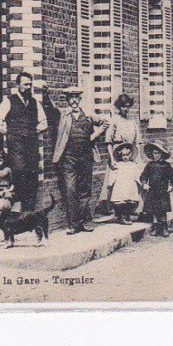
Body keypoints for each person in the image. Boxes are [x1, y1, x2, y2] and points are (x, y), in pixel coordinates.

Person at [51, 85, 109, 234]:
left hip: (85, 156)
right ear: (68, 100)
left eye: (76, 98)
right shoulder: (63, 114)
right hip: (68, 158)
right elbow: (51, 108)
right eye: (71, 98)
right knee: (71, 189)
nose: (74, 101)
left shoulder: (88, 114)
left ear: (80, 99)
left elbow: (105, 123)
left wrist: (94, 136)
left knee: (85, 190)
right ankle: (74, 224)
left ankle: (81, 222)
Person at [0, 72, 48, 211]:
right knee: (19, 177)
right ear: (18, 85)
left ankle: (29, 215)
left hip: (32, 148)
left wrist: (33, 132)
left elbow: (44, 123)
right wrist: (11, 132)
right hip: (16, 149)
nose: (28, 87)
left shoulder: (35, 103)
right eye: (25, 84)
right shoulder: (9, 101)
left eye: (30, 85)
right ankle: (17, 215)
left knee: (32, 179)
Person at [98, 93, 142, 214]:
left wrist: (138, 157)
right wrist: (112, 159)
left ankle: (133, 208)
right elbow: (108, 142)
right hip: (118, 155)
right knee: (117, 182)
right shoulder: (114, 121)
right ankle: (117, 210)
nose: (125, 109)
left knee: (133, 180)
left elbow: (138, 141)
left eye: (128, 106)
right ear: (119, 107)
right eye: (123, 106)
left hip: (131, 154)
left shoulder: (132, 122)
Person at [140, 141, 173, 237]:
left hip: (163, 191)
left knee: (162, 209)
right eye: (154, 153)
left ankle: (164, 227)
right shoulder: (150, 165)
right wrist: (144, 184)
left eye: (158, 153)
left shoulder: (166, 166)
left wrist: (171, 186)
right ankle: (156, 227)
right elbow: (143, 176)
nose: (156, 155)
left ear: (162, 154)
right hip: (152, 191)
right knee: (154, 210)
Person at [105, 143, 142, 225]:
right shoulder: (118, 165)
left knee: (129, 202)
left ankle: (127, 216)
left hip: (130, 186)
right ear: (120, 155)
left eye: (127, 155)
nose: (125, 157)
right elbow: (113, 174)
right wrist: (110, 183)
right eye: (123, 155)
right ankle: (120, 217)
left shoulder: (133, 165)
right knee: (120, 202)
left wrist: (141, 183)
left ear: (130, 154)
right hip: (120, 186)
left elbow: (137, 175)